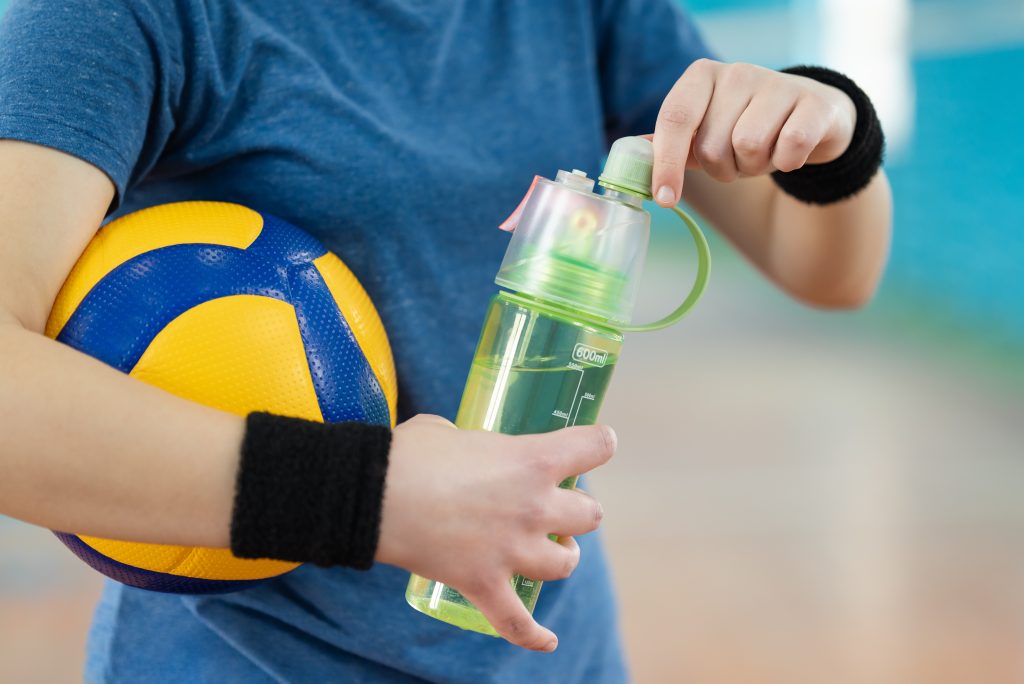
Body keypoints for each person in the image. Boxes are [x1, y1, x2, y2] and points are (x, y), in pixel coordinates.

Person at [0, 1, 891, 682]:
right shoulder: (127, 18)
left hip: (552, 652)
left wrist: (830, 131)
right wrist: (374, 499)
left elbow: (828, 270)